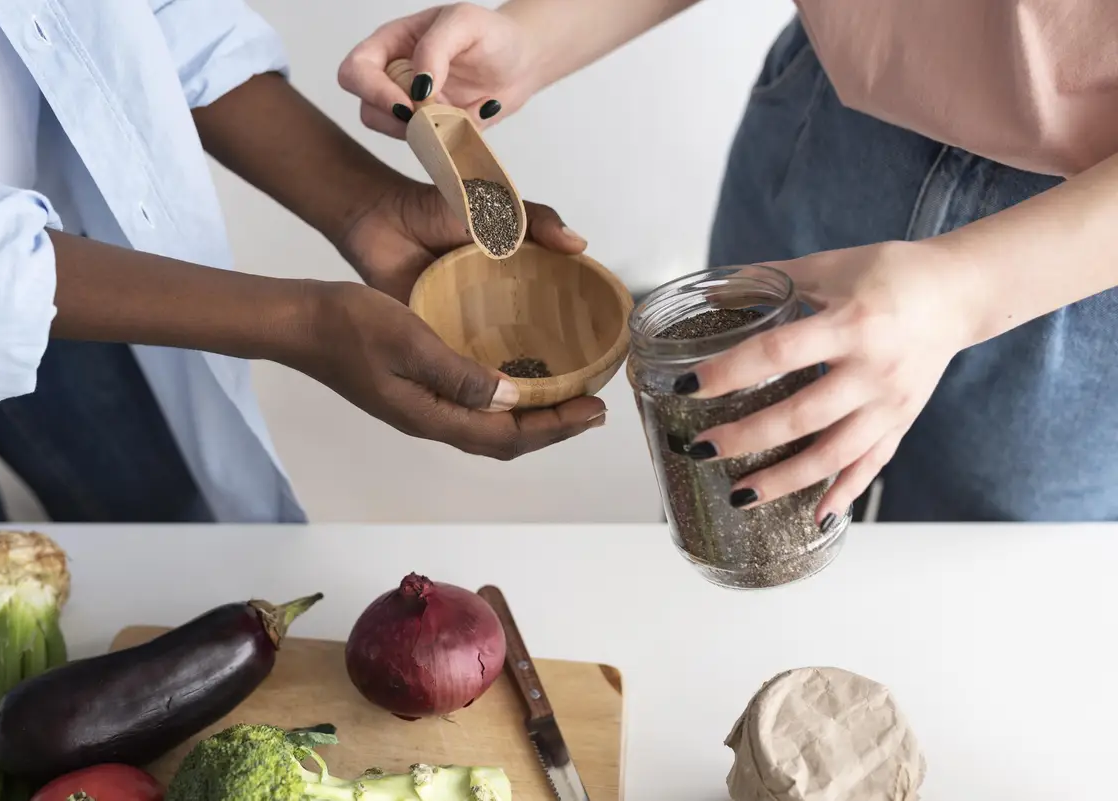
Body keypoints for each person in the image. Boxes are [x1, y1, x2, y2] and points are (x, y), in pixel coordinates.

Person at [341, 0, 1118, 524]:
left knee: (966, 601)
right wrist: (539, 34)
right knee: (736, 531)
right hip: (832, 130)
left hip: (1075, 254)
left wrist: (963, 293)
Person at [0, 0, 606, 524]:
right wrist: (305, 323)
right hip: (5, 277)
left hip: (73, 260)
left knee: (160, 508)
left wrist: (368, 205)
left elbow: (140, 18)